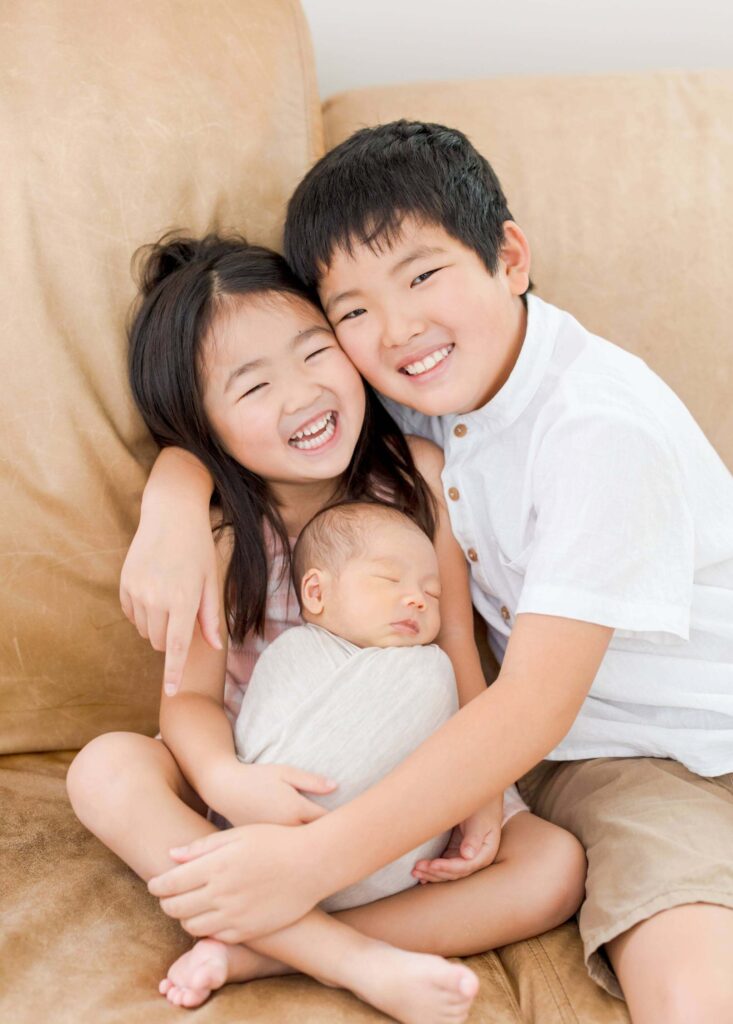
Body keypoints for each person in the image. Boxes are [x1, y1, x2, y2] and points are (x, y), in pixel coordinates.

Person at [132, 121, 733, 1022]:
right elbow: (235, 405)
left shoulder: (587, 429)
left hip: (669, 740)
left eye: (421, 275)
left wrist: (311, 862)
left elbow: (520, 699)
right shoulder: (410, 377)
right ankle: (321, 946)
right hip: (573, 754)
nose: (396, 328)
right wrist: (174, 495)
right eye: (353, 311)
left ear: (510, 257)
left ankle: (279, 944)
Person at [67, 234, 585, 1023]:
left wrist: (482, 787)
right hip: (263, 795)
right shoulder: (220, 535)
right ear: (198, 426)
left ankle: (263, 946)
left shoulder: (416, 478)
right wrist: (225, 780)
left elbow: (453, 648)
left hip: (410, 793)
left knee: (552, 866)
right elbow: (191, 703)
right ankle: (351, 961)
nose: (301, 394)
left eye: (315, 352)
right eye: (251, 387)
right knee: (104, 768)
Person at [236, 500, 528, 913]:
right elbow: (258, 746)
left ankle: (303, 913)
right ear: (316, 593)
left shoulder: (429, 672)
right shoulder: (293, 652)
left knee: (431, 672)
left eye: (432, 592)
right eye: (389, 579)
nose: (418, 600)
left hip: (383, 861)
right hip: (274, 821)